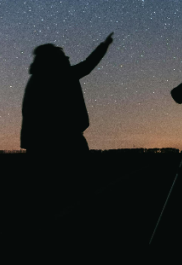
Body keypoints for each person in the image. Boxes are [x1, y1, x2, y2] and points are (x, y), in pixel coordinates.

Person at [21, 33, 114, 176]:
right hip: (63, 141)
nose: (67, 58)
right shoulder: (58, 75)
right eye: (62, 55)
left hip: (42, 142)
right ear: (52, 59)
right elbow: (88, 65)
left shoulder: (39, 77)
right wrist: (104, 45)